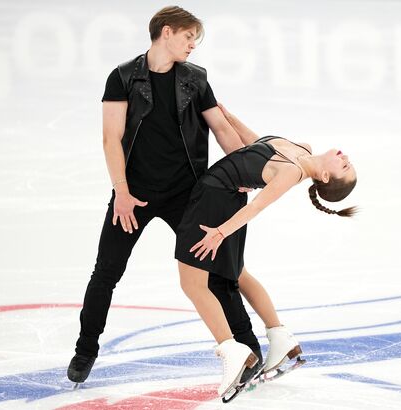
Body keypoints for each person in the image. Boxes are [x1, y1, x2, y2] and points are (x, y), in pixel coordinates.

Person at [67, 6, 263, 384]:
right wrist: (121, 192)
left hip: (187, 195)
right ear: (167, 32)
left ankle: (249, 350)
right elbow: (111, 138)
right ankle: (85, 349)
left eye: (195, 40)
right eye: (189, 37)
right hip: (133, 196)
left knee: (220, 272)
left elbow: (221, 128)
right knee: (106, 272)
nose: (193, 46)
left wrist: (244, 169)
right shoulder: (122, 77)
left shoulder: (196, 79)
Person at [175, 104, 358, 398]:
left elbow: (259, 206)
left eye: (344, 167)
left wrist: (220, 232)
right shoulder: (302, 149)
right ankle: (280, 337)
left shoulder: (292, 173)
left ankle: (232, 351)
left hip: (214, 201)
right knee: (240, 274)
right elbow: (257, 146)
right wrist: (227, 115)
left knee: (192, 283)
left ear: (325, 176)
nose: (345, 158)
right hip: (222, 197)